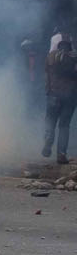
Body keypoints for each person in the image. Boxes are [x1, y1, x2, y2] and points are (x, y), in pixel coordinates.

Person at [45, 34, 77, 165]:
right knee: (64, 125)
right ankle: (61, 154)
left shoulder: (50, 57)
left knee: (50, 121)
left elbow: (46, 74)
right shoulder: (74, 56)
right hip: (70, 97)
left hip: (53, 94)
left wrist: (48, 91)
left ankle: (47, 142)